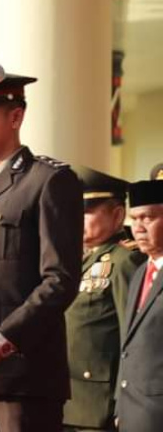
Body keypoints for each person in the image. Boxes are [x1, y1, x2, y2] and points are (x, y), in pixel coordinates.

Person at [0, 70, 83, 432]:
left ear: (15, 116)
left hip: (21, 376)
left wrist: (1, 342)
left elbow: (59, 280)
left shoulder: (47, 181)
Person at [63, 167, 144, 431]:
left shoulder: (124, 262)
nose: (77, 218)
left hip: (99, 406)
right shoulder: (73, 259)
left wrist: (124, 403)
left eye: (86, 211)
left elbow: (131, 341)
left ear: (118, 215)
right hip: (66, 399)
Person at [115, 179, 163, 432]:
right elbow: (128, 346)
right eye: (134, 219)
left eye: (148, 218)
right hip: (131, 411)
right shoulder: (139, 272)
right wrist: (118, 407)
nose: (139, 228)